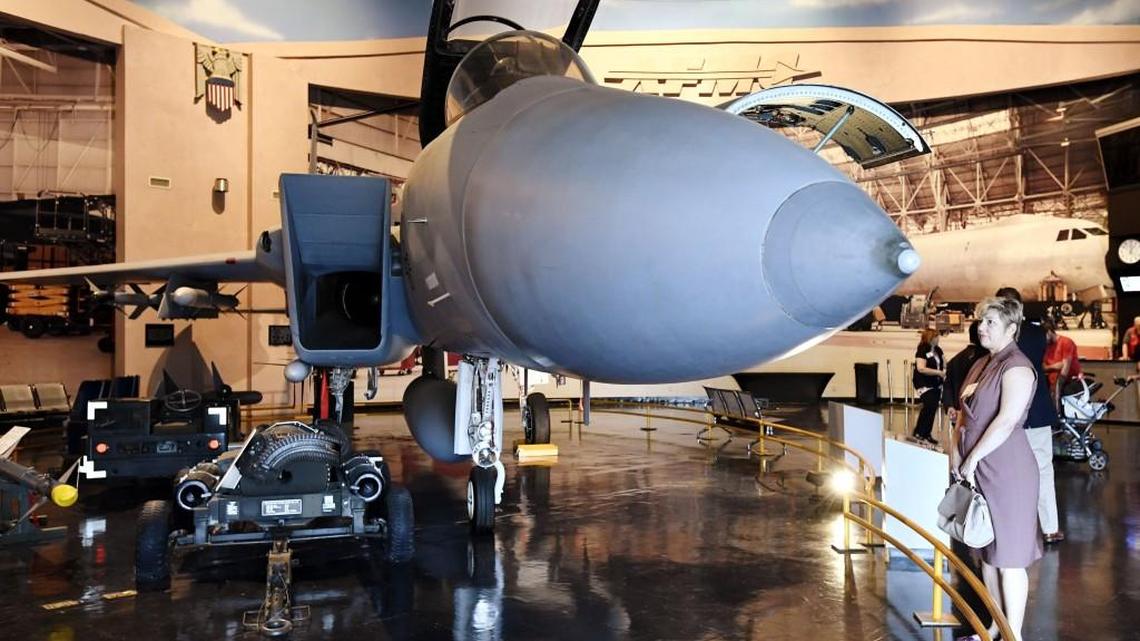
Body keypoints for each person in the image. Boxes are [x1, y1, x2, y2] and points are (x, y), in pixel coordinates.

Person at [952, 296, 1040, 641]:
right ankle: (993, 627)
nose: (981, 328)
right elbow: (963, 415)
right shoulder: (981, 363)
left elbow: (1006, 421)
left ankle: (1013, 635)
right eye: (981, 321)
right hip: (977, 468)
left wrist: (972, 457)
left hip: (1008, 470)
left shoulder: (1017, 367)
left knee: (1010, 557)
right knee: (987, 555)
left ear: (1011, 328)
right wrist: (957, 455)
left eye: (990, 322)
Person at [995, 286, 1064, 544]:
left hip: (1006, 411)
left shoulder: (998, 335)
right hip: (1037, 409)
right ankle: (1050, 528)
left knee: (1006, 470)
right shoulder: (1037, 334)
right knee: (1043, 469)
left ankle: (1011, 526)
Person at [941, 320, 987, 426]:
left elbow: (947, 386)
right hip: (979, 416)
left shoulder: (954, 360)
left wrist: (949, 406)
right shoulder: (987, 359)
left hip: (958, 413)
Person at [911, 327, 945, 444]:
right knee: (929, 405)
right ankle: (919, 432)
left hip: (936, 384)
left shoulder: (938, 350)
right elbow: (921, 368)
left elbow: (943, 362)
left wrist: (945, 371)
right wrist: (938, 372)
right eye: (936, 336)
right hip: (924, 383)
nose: (938, 338)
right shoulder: (922, 349)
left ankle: (926, 433)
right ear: (931, 337)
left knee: (932, 407)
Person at [1043, 317, 1082, 408]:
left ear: (1049, 332)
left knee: (1058, 399)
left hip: (1069, 381)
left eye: (1043, 336)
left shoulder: (1066, 342)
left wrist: (1057, 387)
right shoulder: (1047, 346)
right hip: (1052, 382)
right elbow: (1043, 367)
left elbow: (1065, 368)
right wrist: (1056, 366)